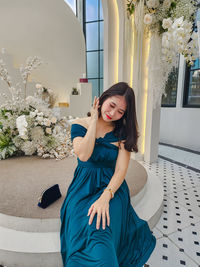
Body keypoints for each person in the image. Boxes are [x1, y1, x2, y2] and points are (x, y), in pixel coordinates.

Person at [60, 82, 156, 266]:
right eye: (112, 105)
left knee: (101, 230)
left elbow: (121, 170)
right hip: (83, 187)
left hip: (112, 187)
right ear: (103, 98)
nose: (113, 113)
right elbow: (84, 154)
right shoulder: (79, 125)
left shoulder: (123, 132)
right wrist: (94, 121)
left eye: (120, 112)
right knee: (82, 228)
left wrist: (106, 196)